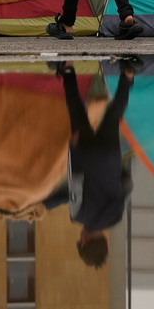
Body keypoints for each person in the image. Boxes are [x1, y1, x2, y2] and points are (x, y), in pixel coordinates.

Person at [45, 60, 135, 268]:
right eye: (81, 240)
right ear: (85, 240)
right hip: (85, 155)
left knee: (114, 115)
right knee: (75, 109)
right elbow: (75, 181)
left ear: (104, 240)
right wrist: (73, 150)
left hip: (109, 156)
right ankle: (67, 67)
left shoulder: (117, 215)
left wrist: (114, 168)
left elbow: (128, 184)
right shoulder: (78, 215)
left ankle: (127, 77)